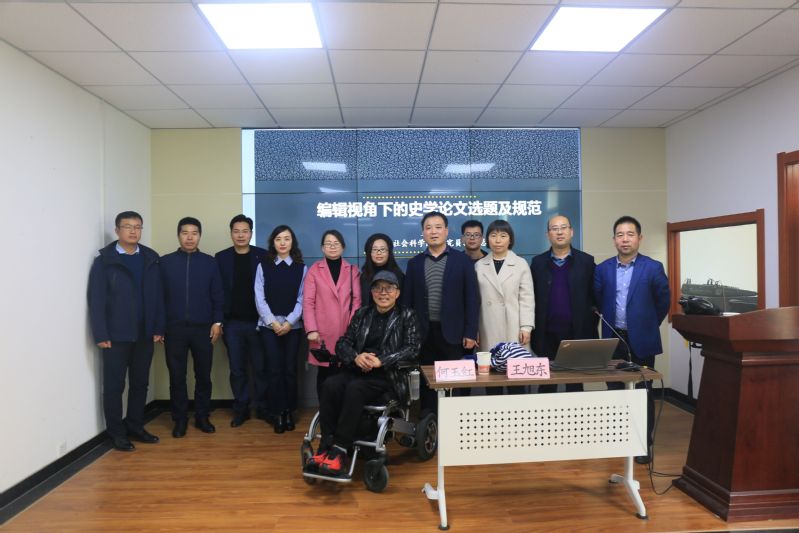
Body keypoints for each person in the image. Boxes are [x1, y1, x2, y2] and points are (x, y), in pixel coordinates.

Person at [306, 271, 420, 477]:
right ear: (372, 292)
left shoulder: (407, 316)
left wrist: (381, 360)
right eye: (378, 288)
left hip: (387, 377)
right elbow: (343, 343)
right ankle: (325, 446)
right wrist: (356, 357)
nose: (383, 293)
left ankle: (340, 449)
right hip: (357, 370)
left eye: (389, 288)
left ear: (397, 293)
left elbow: (412, 349)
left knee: (355, 388)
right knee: (330, 385)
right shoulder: (362, 314)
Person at [594, 215, 670, 465]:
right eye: (620, 235)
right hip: (613, 339)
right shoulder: (603, 269)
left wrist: (646, 324)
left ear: (639, 238)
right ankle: (620, 439)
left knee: (643, 394)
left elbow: (663, 302)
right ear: (614, 239)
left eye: (630, 234)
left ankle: (643, 444)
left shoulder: (653, 267)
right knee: (615, 392)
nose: (625, 239)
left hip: (643, 340)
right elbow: (597, 300)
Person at [88, 211, 165, 452]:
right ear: (117, 230)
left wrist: (158, 327)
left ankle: (135, 426)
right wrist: (101, 333)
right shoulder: (104, 261)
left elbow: (159, 297)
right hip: (115, 336)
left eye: (137, 227)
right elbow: (96, 300)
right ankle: (117, 433)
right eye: (127, 226)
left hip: (144, 334)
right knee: (114, 387)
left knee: (140, 384)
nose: (133, 231)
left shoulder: (151, 258)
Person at [403, 211, 479, 413]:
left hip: (455, 333)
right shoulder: (414, 263)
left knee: (457, 381)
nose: (433, 232)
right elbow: (407, 303)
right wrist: (408, 334)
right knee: (428, 381)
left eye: (438, 227)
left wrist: (471, 332)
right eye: (428, 228)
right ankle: (430, 421)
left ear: (446, 231)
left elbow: (472, 299)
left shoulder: (462, 261)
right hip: (424, 333)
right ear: (423, 233)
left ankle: (458, 418)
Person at [160, 217, 224, 438]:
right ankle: (179, 419)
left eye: (194, 233)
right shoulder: (165, 262)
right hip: (174, 329)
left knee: (203, 375)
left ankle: (202, 416)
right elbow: (158, 297)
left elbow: (218, 295)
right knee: (177, 377)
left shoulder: (210, 263)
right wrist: (160, 327)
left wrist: (217, 322)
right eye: (185, 233)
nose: (189, 237)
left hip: (203, 329)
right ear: (178, 235)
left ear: (199, 236)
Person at [530, 215, 598, 394]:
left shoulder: (586, 262)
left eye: (563, 228)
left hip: (576, 335)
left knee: (575, 384)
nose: (559, 232)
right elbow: (531, 298)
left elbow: (595, 298)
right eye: (554, 229)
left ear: (571, 231)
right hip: (546, 334)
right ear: (548, 234)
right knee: (546, 385)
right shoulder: (538, 263)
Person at [215, 214, 268, 427]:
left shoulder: (263, 256)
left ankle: (262, 408)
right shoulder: (221, 258)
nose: (240, 235)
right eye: (236, 231)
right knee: (237, 370)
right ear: (231, 233)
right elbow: (217, 291)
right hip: (232, 323)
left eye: (245, 231)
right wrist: (219, 321)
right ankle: (241, 409)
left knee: (261, 368)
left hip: (258, 323)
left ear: (251, 233)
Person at [255, 225, 308, 434]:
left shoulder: (301, 268)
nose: (283, 242)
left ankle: (289, 411)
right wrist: (273, 322)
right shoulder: (263, 266)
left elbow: (303, 298)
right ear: (273, 242)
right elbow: (259, 298)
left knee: (290, 370)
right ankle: (277, 412)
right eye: (278, 239)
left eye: (287, 238)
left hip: (292, 327)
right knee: (274, 370)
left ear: (292, 242)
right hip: (269, 327)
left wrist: (289, 322)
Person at [475, 220, 534, 395]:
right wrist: (474, 329)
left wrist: (526, 327)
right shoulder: (479, 265)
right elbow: (475, 301)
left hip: (514, 327)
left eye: (503, 235)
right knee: (492, 380)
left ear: (510, 239)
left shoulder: (520, 264)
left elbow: (527, 298)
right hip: (487, 326)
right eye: (493, 235)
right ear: (487, 239)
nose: (498, 240)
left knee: (516, 377)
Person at [303, 229, 361, 401]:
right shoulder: (314, 270)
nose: (332, 246)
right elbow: (308, 302)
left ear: (343, 247)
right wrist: (311, 329)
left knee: (344, 371)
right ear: (322, 248)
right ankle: (325, 411)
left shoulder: (352, 270)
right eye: (328, 243)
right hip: (321, 332)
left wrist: (352, 328)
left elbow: (357, 301)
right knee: (324, 372)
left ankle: (342, 411)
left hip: (346, 330)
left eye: (336, 243)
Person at [359, 233, 404, 307]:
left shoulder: (399, 276)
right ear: (369, 253)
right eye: (374, 250)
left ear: (389, 252)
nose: (379, 253)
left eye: (382, 249)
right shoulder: (364, 276)